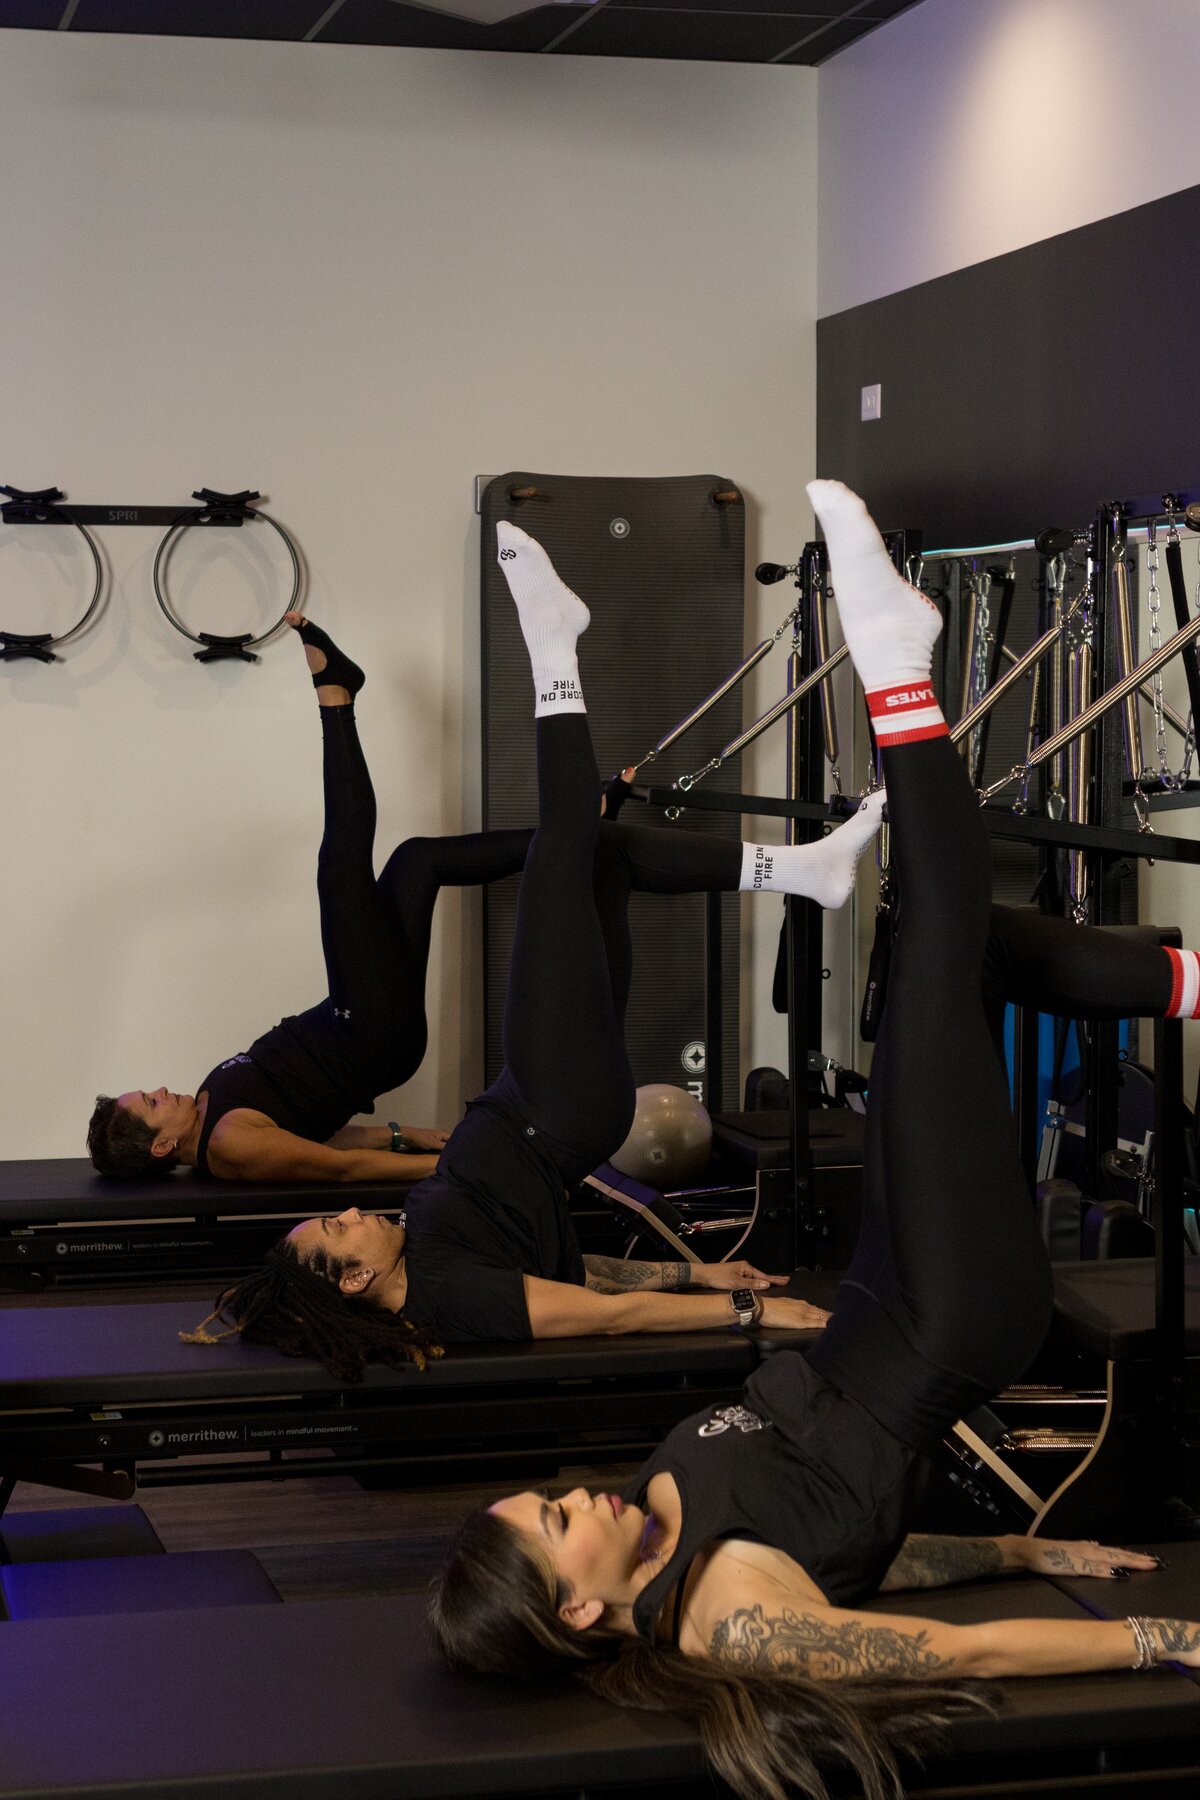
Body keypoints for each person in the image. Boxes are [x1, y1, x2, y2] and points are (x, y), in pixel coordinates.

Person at [428, 483, 1199, 1800]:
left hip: (876, 1304)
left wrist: (1021, 1548)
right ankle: (893, 657)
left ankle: (1169, 982)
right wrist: (1163, 1639)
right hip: (951, 1322)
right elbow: (922, 1644)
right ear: (584, 1614)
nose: (576, 1496)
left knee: (923, 978)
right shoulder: (730, 1618)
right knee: (940, 948)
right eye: (558, 1523)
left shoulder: (671, 1520)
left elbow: (871, 1552)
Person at [184, 528, 896, 1366]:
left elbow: (577, 1276)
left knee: (600, 858)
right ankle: (552, 644)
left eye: (336, 1215)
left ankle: (807, 870)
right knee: (561, 847)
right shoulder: (443, 1295)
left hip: (537, 1100)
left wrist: (691, 1273)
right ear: (350, 1281)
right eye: (338, 1230)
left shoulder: (427, 1261)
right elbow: (601, 1320)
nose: (352, 1214)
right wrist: (747, 1311)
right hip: (548, 1111)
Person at [89, 613, 884, 1189]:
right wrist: (455, 1159)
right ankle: (339, 699)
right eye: (150, 1103)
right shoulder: (228, 1143)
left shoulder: (213, 1109)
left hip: (364, 1023)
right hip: (369, 1029)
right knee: (340, 864)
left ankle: (575, 823)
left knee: (417, 862)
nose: (159, 1090)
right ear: (162, 1148)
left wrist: (426, 1130)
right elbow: (339, 1164)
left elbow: (344, 1128)